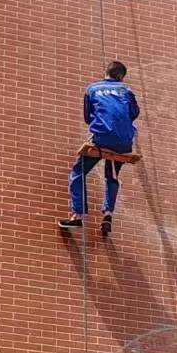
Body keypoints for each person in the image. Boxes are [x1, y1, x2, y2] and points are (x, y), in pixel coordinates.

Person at [60, 61, 140, 236]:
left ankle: (77, 215)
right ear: (121, 77)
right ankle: (108, 214)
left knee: (77, 172)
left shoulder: (92, 89)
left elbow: (88, 117)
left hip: (102, 136)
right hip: (123, 141)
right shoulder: (127, 90)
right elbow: (134, 113)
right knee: (112, 174)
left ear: (107, 72)